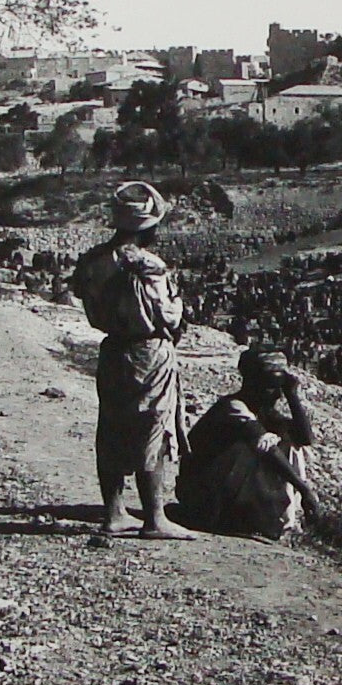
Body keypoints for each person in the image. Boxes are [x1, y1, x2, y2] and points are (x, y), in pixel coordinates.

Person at [71, 181, 193, 540]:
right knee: (152, 427)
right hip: (148, 351)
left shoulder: (94, 260)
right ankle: (155, 518)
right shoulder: (147, 264)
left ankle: (114, 512)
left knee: (111, 427)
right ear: (149, 227)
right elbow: (168, 316)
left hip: (113, 348)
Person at [177, 346, 320, 538]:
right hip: (200, 494)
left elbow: (305, 438)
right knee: (269, 448)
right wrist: (304, 489)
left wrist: (292, 395)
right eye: (270, 386)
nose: (277, 394)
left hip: (223, 491)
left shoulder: (263, 410)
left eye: (279, 388)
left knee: (288, 444)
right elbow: (268, 449)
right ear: (252, 383)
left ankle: (272, 519)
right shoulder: (233, 407)